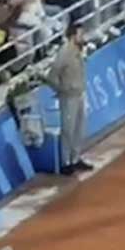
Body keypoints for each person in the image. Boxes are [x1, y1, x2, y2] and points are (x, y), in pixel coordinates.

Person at [46, 22, 89, 174]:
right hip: (69, 96)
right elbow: (52, 76)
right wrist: (62, 90)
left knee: (79, 128)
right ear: (72, 36)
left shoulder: (79, 50)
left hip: (80, 93)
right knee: (68, 129)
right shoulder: (64, 52)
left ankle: (76, 158)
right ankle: (66, 163)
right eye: (80, 34)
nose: (83, 37)